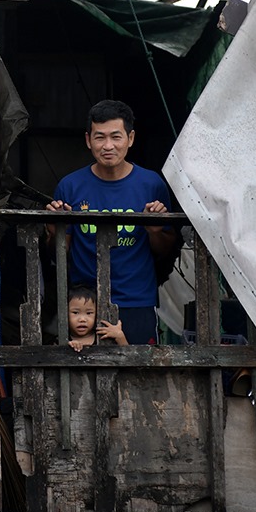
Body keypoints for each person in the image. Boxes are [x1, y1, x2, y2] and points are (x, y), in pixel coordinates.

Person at [48, 99, 174, 345]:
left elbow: (166, 252)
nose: (108, 146)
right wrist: (54, 233)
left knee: (138, 367)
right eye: (100, 137)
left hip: (137, 299)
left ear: (130, 138)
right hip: (85, 305)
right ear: (88, 140)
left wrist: (154, 231)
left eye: (116, 137)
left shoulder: (151, 185)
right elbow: (59, 253)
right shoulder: (70, 186)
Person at [66, 284, 126, 352]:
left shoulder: (104, 336)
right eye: (75, 313)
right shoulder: (61, 339)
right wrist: (69, 347)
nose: (82, 319)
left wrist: (120, 336)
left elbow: (129, 356)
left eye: (89, 313)